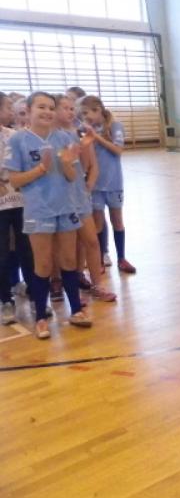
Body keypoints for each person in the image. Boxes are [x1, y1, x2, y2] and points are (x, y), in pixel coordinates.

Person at [5, 92, 93, 339]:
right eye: (41, 107)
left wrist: (66, 163)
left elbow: (73, 176)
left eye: (51, 108)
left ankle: (76, 311)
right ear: (29, 110)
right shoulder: (18, 140)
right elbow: (15, 181)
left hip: (65, 207)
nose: (47, 112)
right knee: (43, 264)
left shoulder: (63, 137)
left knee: (69, 261)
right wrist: (41, 169)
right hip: (39, 210)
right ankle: (41, 318)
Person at [53, 95, 116, 302]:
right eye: (65, 108)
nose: (70, 112)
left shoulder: (77, 134)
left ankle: (97, 285)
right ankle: (69, 290)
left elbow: (88, 166)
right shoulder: (50, 138)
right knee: (67, 250)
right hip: (60, 199)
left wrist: (86, 145)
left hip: (79, 197)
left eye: (72, 108)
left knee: (92, 241)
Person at [80, 96, 136, 274]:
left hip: (114, 183)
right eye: (83, 114)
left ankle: (122, 258)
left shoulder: (115, 126)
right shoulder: (85, 130)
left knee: (117, 221)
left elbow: (118, 150)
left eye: (87, 113)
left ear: (98, 110)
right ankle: (99, 260)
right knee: (97, 223)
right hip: (96, 185)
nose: (85, 117)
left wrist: (96, 137)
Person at [0, 92, 32, 325]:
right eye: (7, 107)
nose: (11, 111)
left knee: (27, 251)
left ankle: (36, 296)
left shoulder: (14, 135)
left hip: (20, 201)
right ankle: (5, 301)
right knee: (1, 254)